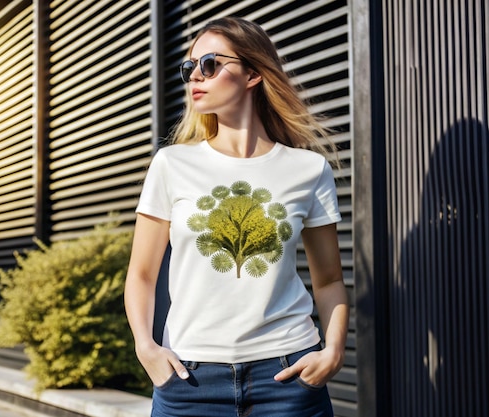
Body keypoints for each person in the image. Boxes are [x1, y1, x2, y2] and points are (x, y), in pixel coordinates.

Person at [124, 16, 349, 417]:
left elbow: (329, 278)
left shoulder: (308, 170)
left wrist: (332, 350)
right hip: (189, 379)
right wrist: (147, 349)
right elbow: (142, 274)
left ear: (252, 74)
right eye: (189, 66)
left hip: (287, 378)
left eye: (209, 63)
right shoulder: (172, 164)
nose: (195, 75)